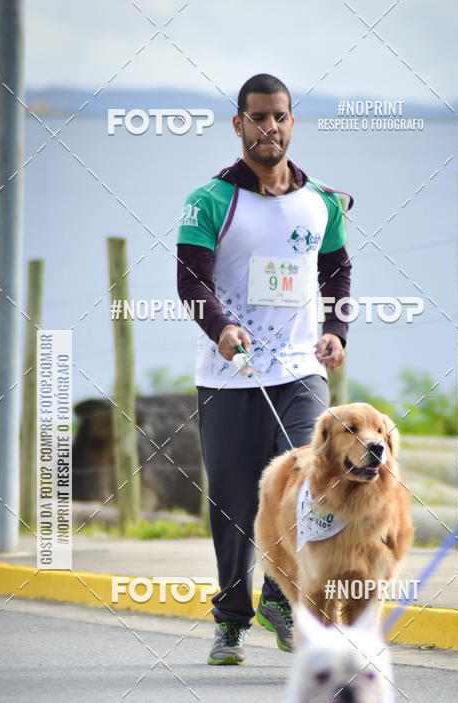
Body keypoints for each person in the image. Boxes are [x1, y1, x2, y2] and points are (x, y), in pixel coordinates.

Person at [177, 73, 353, 664]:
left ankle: (281, 598)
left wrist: (336, 331)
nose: (269, 128)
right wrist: (221, 327)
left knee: (309, 485)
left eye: (278, 116)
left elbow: (337, 273)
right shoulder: (209, 200)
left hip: (302, 373)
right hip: (229, 375)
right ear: (239, 124)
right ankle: (231, 618)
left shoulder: (322, 201)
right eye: (257, 117)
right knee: (233, 500)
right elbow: (191, 277)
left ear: (292, 122)